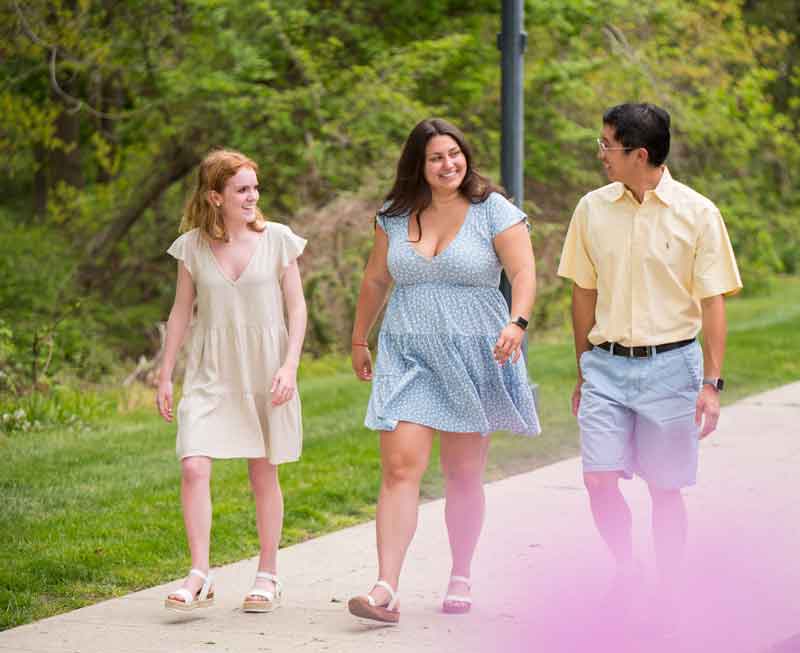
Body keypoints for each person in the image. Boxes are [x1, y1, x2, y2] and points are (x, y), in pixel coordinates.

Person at [347, 118, 540, 623]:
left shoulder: (493, 210)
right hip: (408, 353)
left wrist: (517, 322)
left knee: (462, 473)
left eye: (454, 154)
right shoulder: (393, 217)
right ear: (419, 164)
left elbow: (523, 272)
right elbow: (374, 279)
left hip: (473, 351)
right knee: (398, 468)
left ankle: (461, 573)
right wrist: (358, 337)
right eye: (436, 157)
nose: (448, 164)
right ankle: (385, 585)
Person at [557, 103, 742, 604]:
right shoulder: (591, 208)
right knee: (598, 478)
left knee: (665, 488)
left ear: (640, 154)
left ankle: (669, 589)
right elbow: (583, 294)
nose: (601, 155)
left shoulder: (699, 214)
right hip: (606, 367)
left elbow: (713, 301)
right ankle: (627, 569)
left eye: (607, 146)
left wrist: (712, 383)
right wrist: (582, 370)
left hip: (672, 368)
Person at [157, 149, 308, 614]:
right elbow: (182, 312)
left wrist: (289, 366)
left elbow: (297, 309)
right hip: (211, 372)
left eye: (254, 188)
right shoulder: (192, 246)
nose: (252, 196)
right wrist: (165, 374)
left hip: (266, 369)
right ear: (215, 196)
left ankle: (268, 574)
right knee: (193, 464)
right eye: (242, 189)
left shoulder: (278, 239)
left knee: (264, 471)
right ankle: (200, 573)